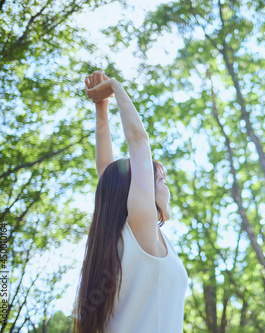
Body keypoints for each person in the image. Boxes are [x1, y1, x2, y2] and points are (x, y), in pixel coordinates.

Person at [73, 70, 188, 333]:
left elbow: (107, 172)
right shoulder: (141, 230)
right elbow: (138, 141)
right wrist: (114, 86)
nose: (167, 189)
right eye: (162, 181)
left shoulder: (125, 239)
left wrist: (101, 107)